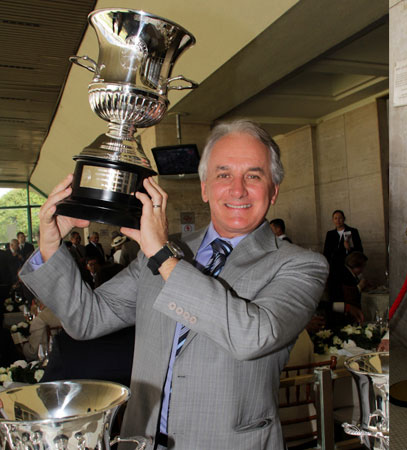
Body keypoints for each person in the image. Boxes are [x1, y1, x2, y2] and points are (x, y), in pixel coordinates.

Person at [19, 119, 329, 449]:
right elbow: (87, 319)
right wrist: (51, 245)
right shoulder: (167, 249)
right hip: (142, 440)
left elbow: (252, 336)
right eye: (223, 174)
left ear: (273, 191)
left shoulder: (300, 265)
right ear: (204, 188)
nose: (238, 189)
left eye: (254, 175)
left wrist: (163, 257)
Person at [323, 210, 363, 311]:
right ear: (333, 220)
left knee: (349, 295)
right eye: (335, 218)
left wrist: (349, 248)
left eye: (340, 218)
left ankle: (351, 312)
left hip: (348, 269)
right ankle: (338, 314)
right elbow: (326, 252)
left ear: (344, 219)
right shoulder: (330, 234)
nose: (338, 220)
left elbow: (360, 251)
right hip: (334, 269)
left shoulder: (353, 231)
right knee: (335, 295)